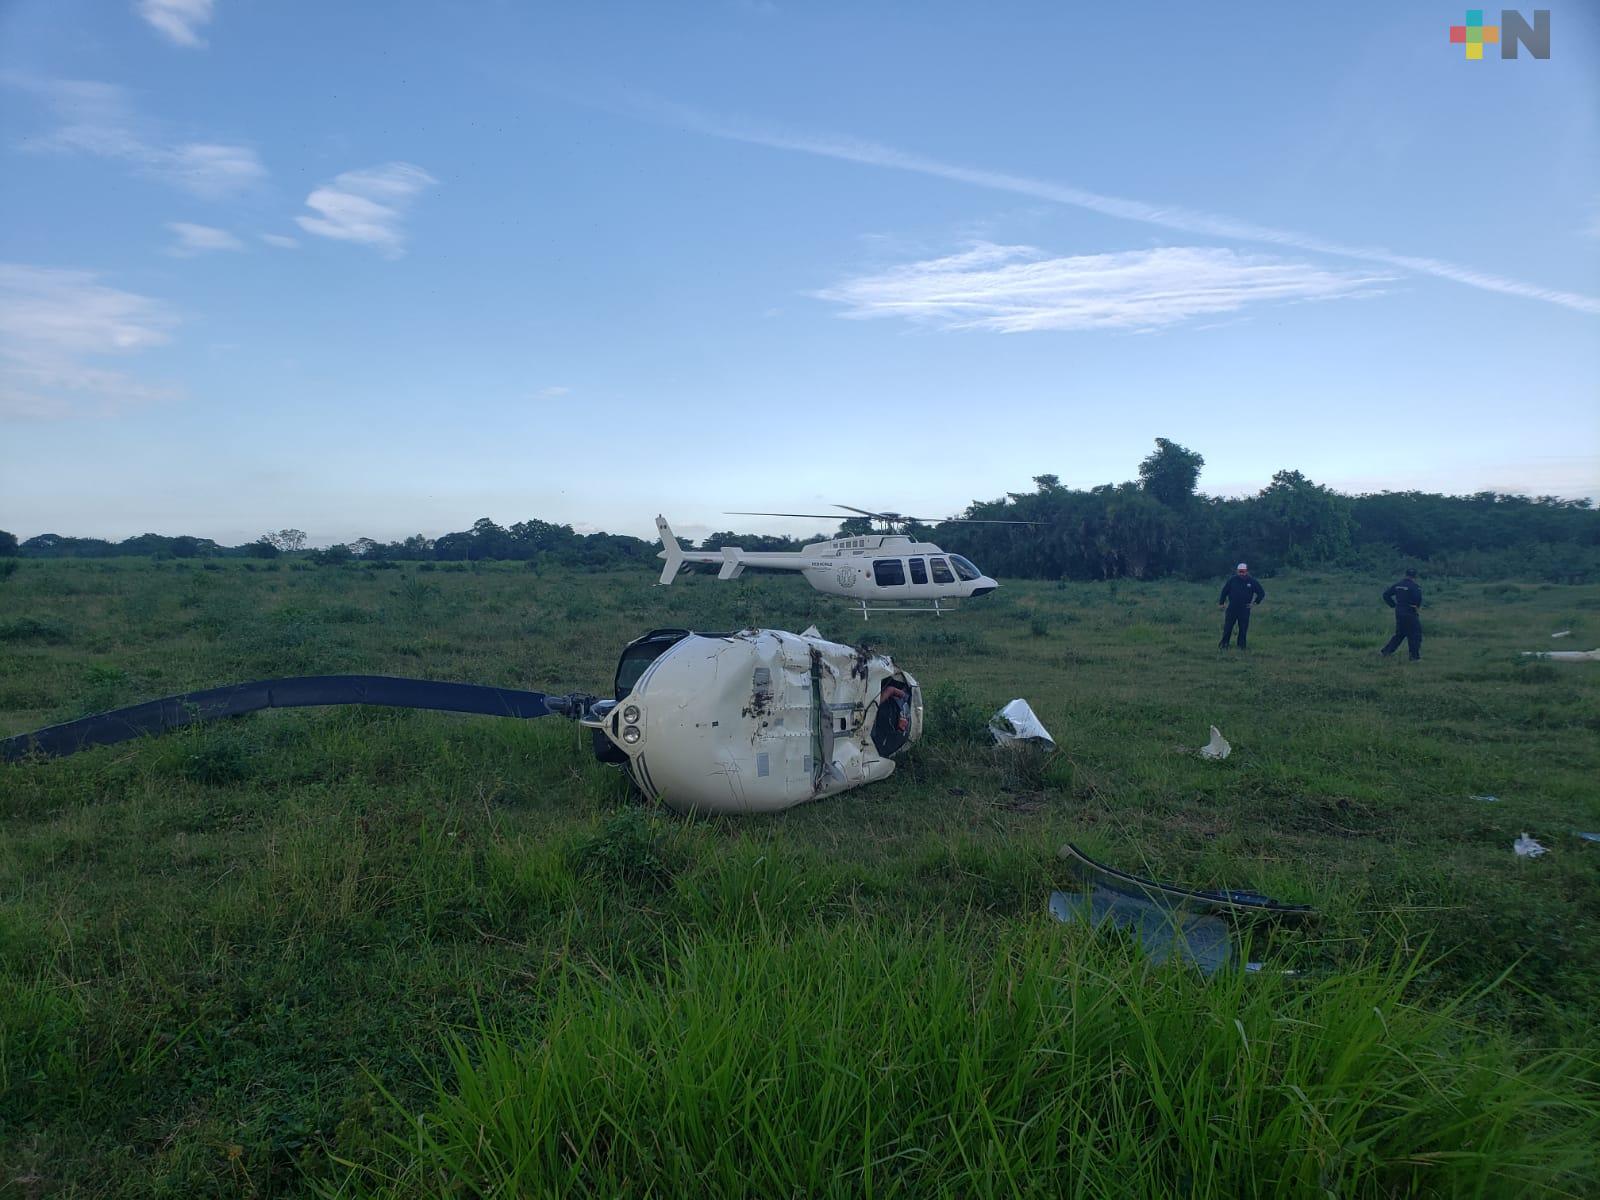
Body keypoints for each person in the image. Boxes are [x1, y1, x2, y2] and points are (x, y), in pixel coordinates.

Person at [1217, 562, 1265, 649]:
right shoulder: (1232, 580)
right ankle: (1224, 644)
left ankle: (1241, 646)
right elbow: (1224, 591)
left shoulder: (1252, 581)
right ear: (1237, 571)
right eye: (1240, 571)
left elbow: (1261, 593)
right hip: (1232, 608)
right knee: (1228, 627)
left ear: (1246, 571)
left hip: (1244, 608)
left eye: (1243, 571)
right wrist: (1221, 603)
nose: (1241, 573)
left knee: (1243, 628)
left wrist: (1254, 603)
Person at [1381, 567, 1424, 660]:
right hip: (1410, 612)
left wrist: (1393, 605)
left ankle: (1386, 651)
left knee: (1400, 633)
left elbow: (1385, 595)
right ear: (1415, 576)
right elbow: (1418, 600)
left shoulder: (1398, 585)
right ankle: (1414, 657)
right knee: (1415, 634)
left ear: (1405, 575)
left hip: (1399, 611)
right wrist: (1416, 607)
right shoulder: (1415, 587)